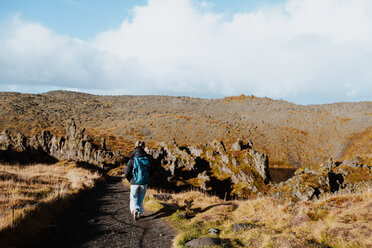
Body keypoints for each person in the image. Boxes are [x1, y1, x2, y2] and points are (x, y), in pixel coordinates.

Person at [125, 141, 150, 221]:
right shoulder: (146, 158)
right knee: (141, 198)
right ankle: (139, 212)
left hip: (134, 182)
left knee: (133, 198)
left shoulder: (132, 159)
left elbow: (127, 173)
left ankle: (135, 209)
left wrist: (130, 180)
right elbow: (151, 170)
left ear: (135, 148)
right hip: (144, 182)